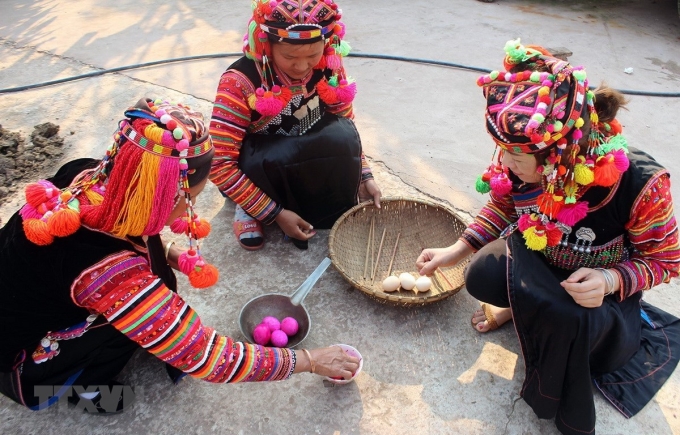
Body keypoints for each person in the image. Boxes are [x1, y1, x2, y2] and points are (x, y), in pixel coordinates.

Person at [0, 98, 360, 414]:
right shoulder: (108, 275)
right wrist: (309, 360)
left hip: (31, 293)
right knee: (127, 323)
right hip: (20, 358)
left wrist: (169, 254)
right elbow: (205, 355)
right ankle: (83, 390)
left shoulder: (90, 173)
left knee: (151, 272)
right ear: (164, 197)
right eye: (190, 199)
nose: (186, 212)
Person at [416, 40, 680, 435]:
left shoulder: (640, 184)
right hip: (541, 258)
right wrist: (456, 249)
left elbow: (666, 261)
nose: (504, 164)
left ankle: (543, 317)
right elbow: (505, 206)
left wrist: (610, 280)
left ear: (561, 158)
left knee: (575, 327)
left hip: (593, 295)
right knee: (480, 275)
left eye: (516, 159)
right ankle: (522, 309)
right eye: (501, 152)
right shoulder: (524, 156)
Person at [209, 0, 381, 251]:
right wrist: (274, 213)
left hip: (302, 153)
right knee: (261, 156)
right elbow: (219, 163)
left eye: (313, 55)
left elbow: (348, 126)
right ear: (267, 46)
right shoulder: (239, 81)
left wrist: (364, 175)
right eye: (289, 56)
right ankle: (249, 207)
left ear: (327, 43)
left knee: (341, 135)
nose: (302, 67)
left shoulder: (330, 67)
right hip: (261, 167)